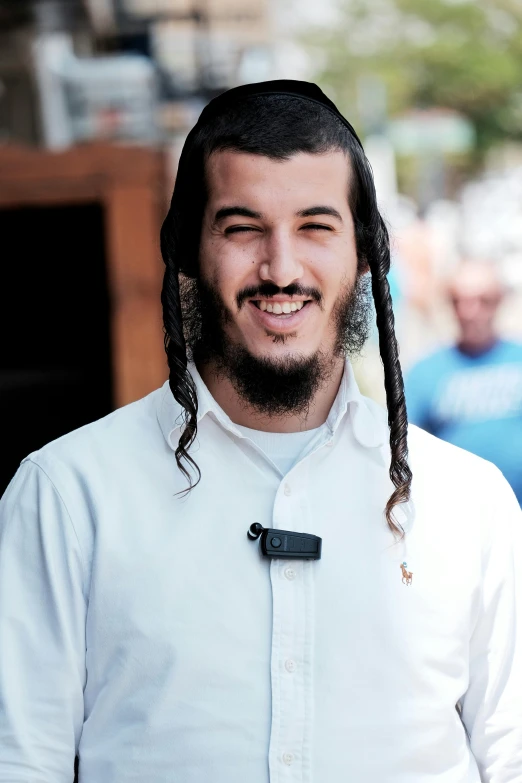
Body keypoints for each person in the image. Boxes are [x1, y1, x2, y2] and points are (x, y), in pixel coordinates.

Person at [0, 81, 520, 783]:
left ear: (364, 251)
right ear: (189, 249)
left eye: (315, 226)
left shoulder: (471, 504)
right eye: (243, 227)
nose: (280, 269)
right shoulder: (67, 497)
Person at [406, 260, 522, 505]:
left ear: (499, 302)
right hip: (458, 514)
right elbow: (407, 449)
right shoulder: (425, 372)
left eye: (483, 300)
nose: (470, 312)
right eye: (459, 300)